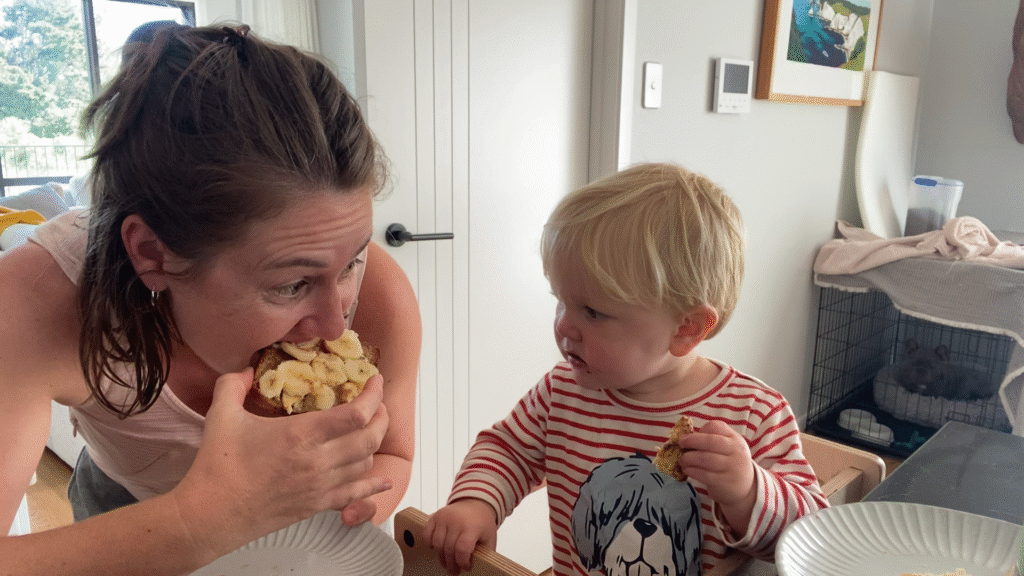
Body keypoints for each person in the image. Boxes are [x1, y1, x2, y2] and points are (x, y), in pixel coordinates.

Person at [0, 23, 421, 575]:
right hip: (124, 510)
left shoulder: (378, 298)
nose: (334, 324)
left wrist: (347, 510)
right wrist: (199, 524)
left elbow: (394, 453)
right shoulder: (34, 307)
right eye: (290, 285)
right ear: (152, 254)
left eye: (352, 263)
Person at [423, 163, 828, 575]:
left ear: (686, 328)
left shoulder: (752, 412)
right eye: (560, 300)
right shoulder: (562, 391)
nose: (563, 326)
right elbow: (508, 450)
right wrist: (476, 503)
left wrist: (746, 492)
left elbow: (817, 539)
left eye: (593, 312)